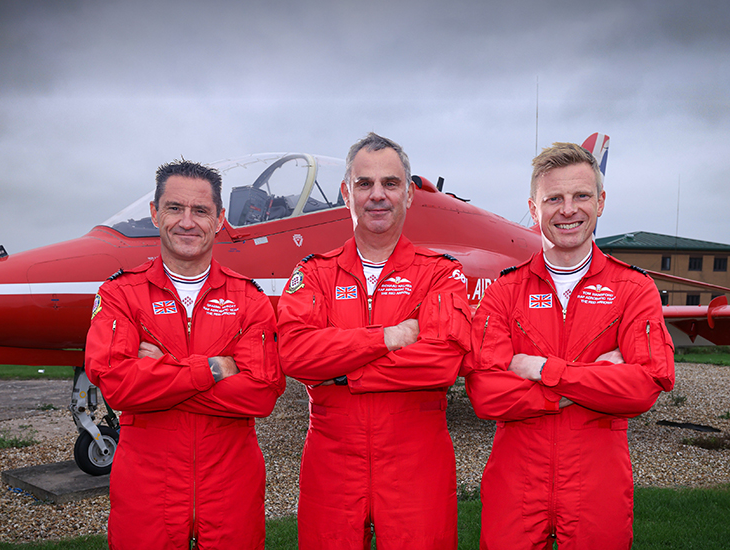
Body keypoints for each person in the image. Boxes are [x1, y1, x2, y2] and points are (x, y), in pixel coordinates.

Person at [462, 142, 675, 549]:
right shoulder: (505, 291)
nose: (568, 209)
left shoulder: (633, 289)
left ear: (601, 202)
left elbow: (645, 385)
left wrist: (542, 370)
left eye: (581, 196)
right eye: (554, 199)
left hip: (598, 485)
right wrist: (594, 377)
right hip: (516, 483)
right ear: (534, 207)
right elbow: (486, 394)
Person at [277, 133, 471, 549]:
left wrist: (342, 374)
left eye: (390, 183)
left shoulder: (440, 272)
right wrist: (388, 337)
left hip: (417, 464)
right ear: (346, 193)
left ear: (409, 194)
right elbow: (295, 354)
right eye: (364, 184)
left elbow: (441, 362)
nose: (377, 195)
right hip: (331, 466)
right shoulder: (314, 273)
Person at [85, 160, 285, 550]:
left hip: (231, 490)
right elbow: (118, 387)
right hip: (146, 491)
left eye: (201, 210)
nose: (187, 222)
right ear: (155, 213)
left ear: (219, 219)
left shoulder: (251, 299)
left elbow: (261, 395)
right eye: (175, 208)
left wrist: (160, 371)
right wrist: (215, 368)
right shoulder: (120, 294)